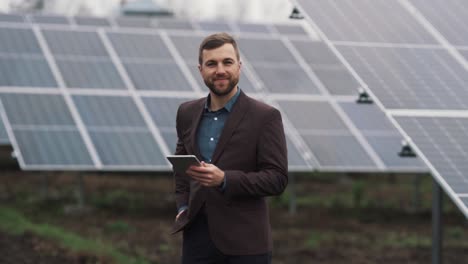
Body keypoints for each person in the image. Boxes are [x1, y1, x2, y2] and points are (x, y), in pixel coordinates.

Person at [171, 32, 288, 264]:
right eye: (211, 63)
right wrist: (183, 206)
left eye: (227, 62)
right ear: (201, 69)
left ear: (239, 66)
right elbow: (181, 168)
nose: (220, 70)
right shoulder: (186, 113)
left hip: (246, 245)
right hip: (197, 241)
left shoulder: (265, 117)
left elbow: (277, 179)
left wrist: (225, 179)